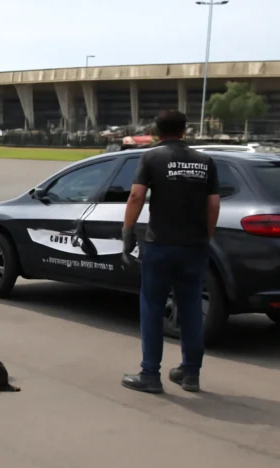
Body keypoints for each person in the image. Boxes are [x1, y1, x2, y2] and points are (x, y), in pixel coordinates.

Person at [120, 109, 220, 394]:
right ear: (185, 131)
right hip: (194, 246)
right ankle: (191, 374)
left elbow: (136, 195)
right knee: (190, 308)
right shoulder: (205, 161)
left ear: (156, 132)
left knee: (152, 308)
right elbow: (213, 205)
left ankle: (150, 374)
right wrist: (206, 237)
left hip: (160, 245)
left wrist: (127, 233)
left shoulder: (151, 157)